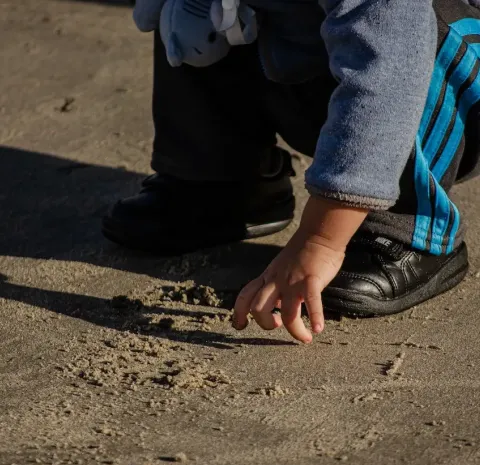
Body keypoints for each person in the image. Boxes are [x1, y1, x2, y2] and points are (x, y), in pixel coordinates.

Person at [103, 0, 480, 343]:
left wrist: (320, 239)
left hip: (443, 88)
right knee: (191, 10)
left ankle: (411, 227)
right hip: (313, 69)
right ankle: (222, 179)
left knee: (413, 34)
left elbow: (390, 68)